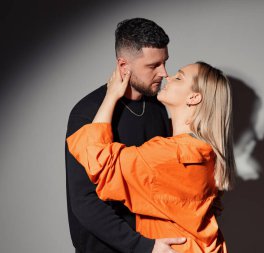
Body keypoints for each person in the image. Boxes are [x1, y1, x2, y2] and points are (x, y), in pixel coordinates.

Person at [66, 61, 236, 252]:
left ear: (194, 97)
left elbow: (97, 158)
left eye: (179, 78)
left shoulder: (171, 154)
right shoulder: (205, 151)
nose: (167, 76)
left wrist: (111, 95)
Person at [65, 18, 186, 253]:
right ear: (124, 66)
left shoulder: (157, 107)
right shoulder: (87, 113)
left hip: (155, 242)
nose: (163, 73)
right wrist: (144, 247)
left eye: (165, 62)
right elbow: (85, 202)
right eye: (153, 66)